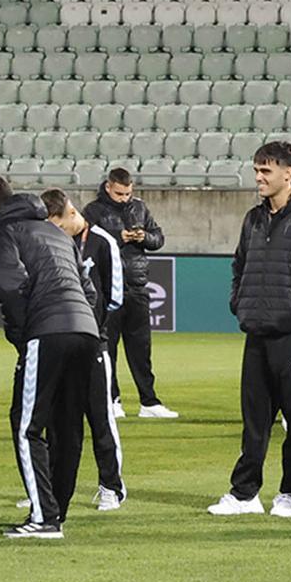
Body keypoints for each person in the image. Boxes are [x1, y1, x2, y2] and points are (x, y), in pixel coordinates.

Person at [0, 174, 99, 539]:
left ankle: (43, 517)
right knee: (68, 425)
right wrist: (81, 321)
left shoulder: (1, 232)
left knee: (27, 426)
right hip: (86, 331)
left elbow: (9, 283)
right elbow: (89, 289)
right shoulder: (56, 232)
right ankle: (56, 512)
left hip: (47, 330)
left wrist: (23, 336)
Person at [209, 141, 291, 519]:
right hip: (257, 330)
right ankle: (245, 492)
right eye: (257, 169)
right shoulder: (254, 218)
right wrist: (240, 302)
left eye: (267, 170)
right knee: (254, 417)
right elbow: (239, 265)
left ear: (290, 173)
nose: (259, 177)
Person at [42, 187, 127, 512]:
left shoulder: (103, 242)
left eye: (57, 226)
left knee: (100, 416)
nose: (55, 233)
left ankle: (111, 486)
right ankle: (47, 487)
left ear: (70, 214)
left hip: (93, 343)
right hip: (57, 341)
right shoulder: (51, 240)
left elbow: (116, 294)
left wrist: (94, 330)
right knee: (55, 420)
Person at [83, 168, 178, 419]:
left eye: (128, 193)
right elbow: (86, 242)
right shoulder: (93, 211)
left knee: (141, 350)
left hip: (137, 287)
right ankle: (112, 400)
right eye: (119, 193)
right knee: (108, 349)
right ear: (108, 187)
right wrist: (119, 237)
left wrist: (143, 237)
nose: (124, 198)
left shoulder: (140, 208)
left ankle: (149, 402)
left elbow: (158, 239)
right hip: (107, 289)